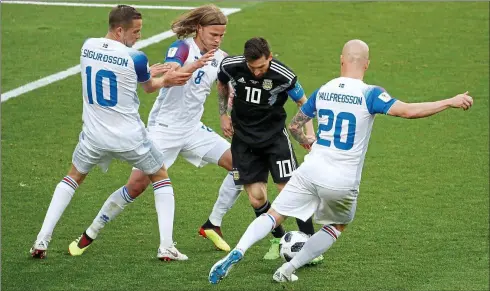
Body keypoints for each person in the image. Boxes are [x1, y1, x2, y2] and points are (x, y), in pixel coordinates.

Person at [208, 39, 474, 284]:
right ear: (367, 64)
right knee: (337, 225)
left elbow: (296, 125)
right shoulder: (370, 93)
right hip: (341, 179)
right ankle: (289, 268)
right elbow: (408, 112)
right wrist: (449, 101)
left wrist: (308, 141)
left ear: (341, 61)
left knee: (274, 213)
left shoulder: (325, 89)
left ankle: (239, 250)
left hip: (311, 168)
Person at [67, 4, 243, 261]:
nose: (217, 40)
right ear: (198, 28)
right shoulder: (182, 47)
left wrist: (224, 113)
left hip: (193, 130)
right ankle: (91, 232)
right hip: (164, 130)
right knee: (136, 187)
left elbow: (224, 85)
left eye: (221, 35)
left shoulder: (219, 56)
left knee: (243, 167)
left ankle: (211, 224)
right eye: (213, 34)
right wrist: (194, 65)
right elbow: (172, 74)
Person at [29, 5, 193, 259]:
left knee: (72, 177)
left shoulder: (87, 46)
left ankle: (42, 240)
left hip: (93, 136)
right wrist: (167, 80)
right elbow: (149, 87)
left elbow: (112, 75)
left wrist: (148, 72)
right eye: (136, 31)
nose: (139, 35)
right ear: (119, 30)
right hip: (129, 138)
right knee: (160, 176)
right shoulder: (136, 57)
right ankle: (166, 246)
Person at [215, 37, 322, 261]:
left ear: (270, 57)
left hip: (274, 139)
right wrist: (223, 114)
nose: (256, 72)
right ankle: (278, 239)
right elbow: (222, 83)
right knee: (256, 198)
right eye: (252, 68)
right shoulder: (230, 66)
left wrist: (307, 135)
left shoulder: (284, 75)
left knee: (290, 191)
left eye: (262, 67)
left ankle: (311, 245)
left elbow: (304, 102)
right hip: (243, 141)